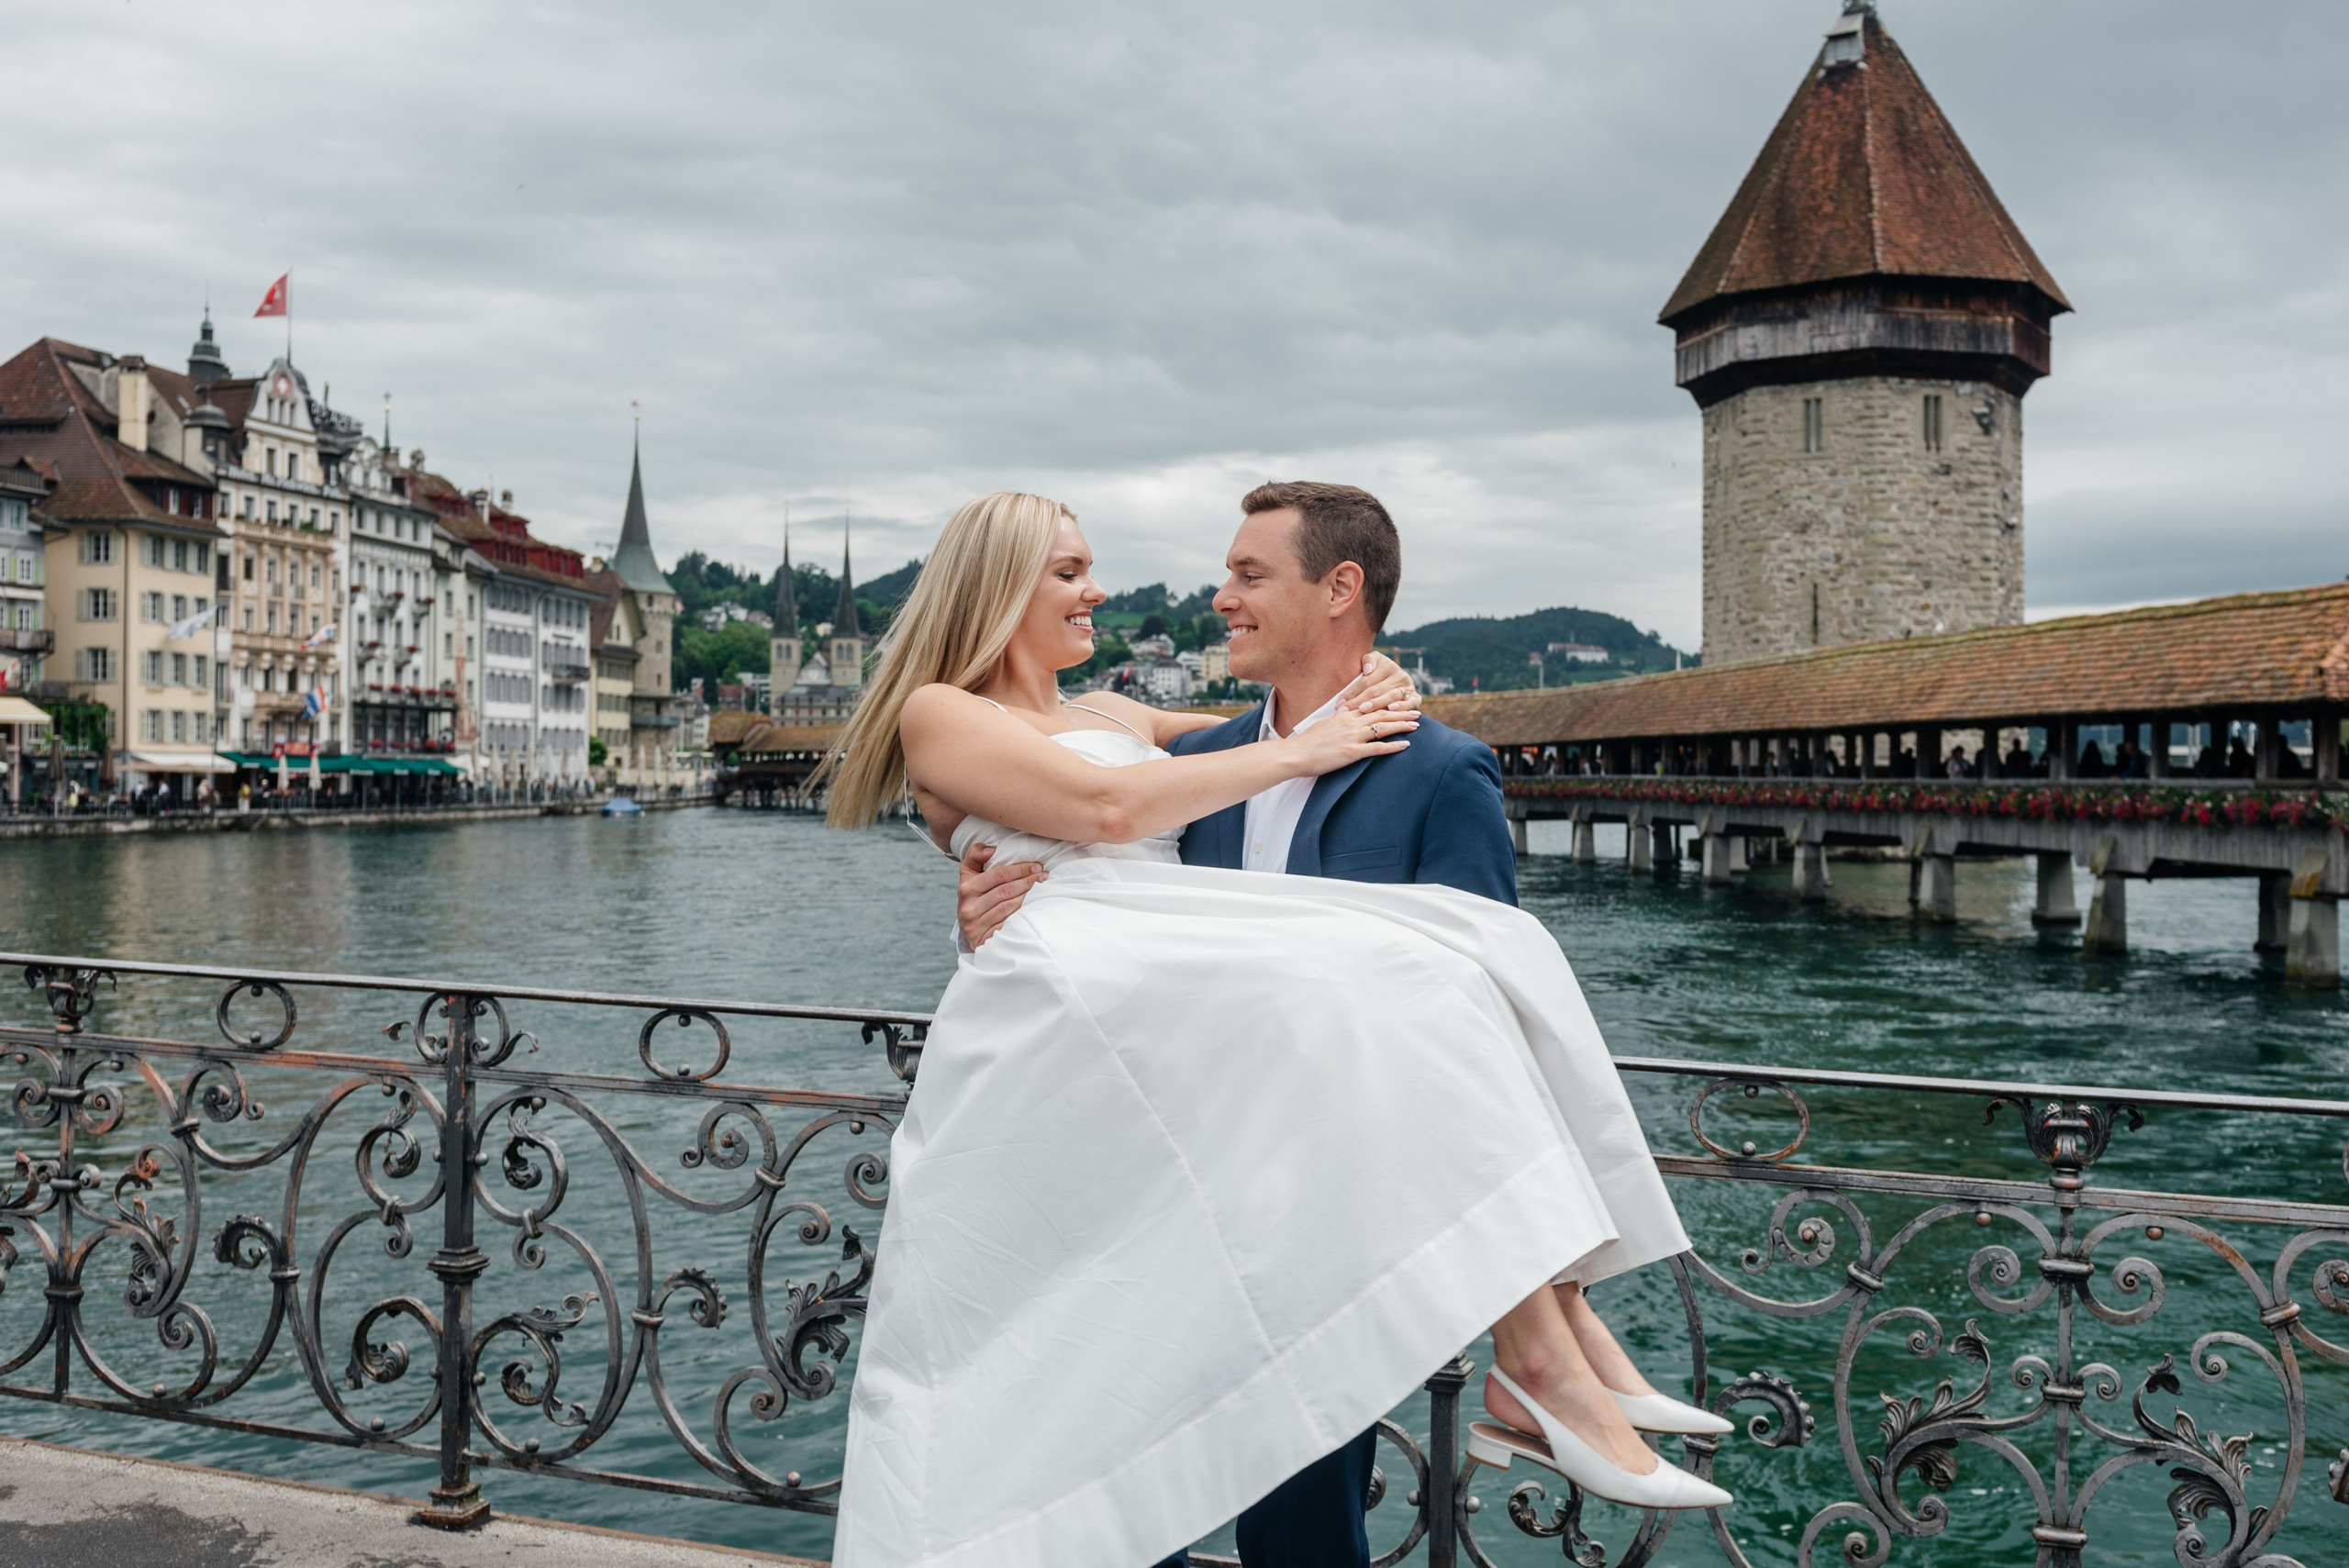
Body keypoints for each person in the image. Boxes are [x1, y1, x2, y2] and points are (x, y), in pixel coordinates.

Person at [829, 488, 1729, 1568]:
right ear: (998, 586)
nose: (1097, 588)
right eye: (1069, 570)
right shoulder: (941, 710)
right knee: (1071, 1394)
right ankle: (1546, 1350)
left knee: (1444, 969)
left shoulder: (1119, 714)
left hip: (1227, 1100)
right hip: (1083, 1043)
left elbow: (1225, 743)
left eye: (1088, 566)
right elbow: (1112, 812)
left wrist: (1369, 691)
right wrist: (1315, 747)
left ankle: (1553, 1332)